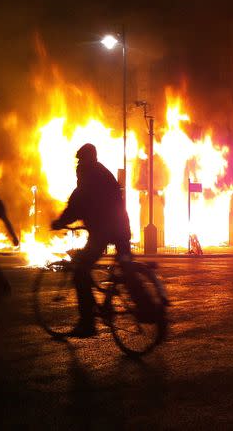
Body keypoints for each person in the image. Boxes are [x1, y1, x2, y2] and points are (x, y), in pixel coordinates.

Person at [51, 143, 132, 337]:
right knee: (127, 269)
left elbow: (77, 204)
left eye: (80, 159)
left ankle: (87, 323)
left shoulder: (88, 176)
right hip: (121, 228)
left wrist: (60, 222)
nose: (78, 164)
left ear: (86, 159)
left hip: (104, 231)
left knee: (80, 270)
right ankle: (144, 306)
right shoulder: (104, 172)